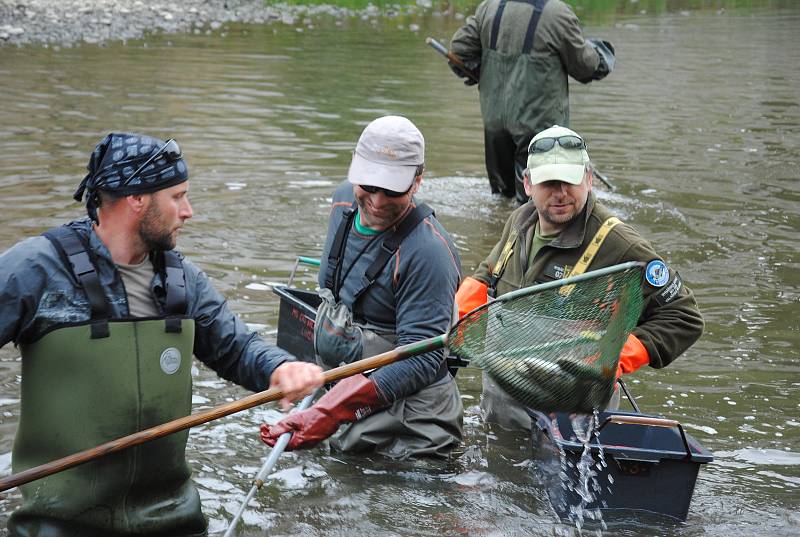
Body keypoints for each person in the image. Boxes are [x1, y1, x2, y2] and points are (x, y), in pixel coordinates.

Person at [0, 133, 325, 537]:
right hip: (57, 526)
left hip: (175, 522)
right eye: (177, 196)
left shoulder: (182, 279)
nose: (188, 211)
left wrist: (281, 368)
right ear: (137, 199)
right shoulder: (35, 270)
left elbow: (238, 347)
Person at [455, 125, 704, 430]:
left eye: (570, 181)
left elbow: (683, 317)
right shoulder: (520, 220)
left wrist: (616, 357)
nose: (561, 193)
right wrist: (461, 315)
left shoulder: (620, 244)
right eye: (549, 182)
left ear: (588, 178)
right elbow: (489, 274)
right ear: (528, 184)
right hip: (502, 412)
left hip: (572, 426)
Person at [261, 116, 463, 459]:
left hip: (410, 424)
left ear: (418, 181)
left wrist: (329, 412)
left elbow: (422, 359)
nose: (378, 201)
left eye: (393, 189)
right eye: (368, 185)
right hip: (344, 396)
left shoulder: (429, 253)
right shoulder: (342, 201)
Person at [449, 0, 616, 202]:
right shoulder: (557, 14)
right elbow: (586, 67)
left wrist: (480, 72)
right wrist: (601, 52)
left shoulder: (490, 7)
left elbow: (458, 52)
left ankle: (498, 232)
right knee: (537, 204)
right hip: (539, 130)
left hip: (494, 122)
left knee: (502, 198)